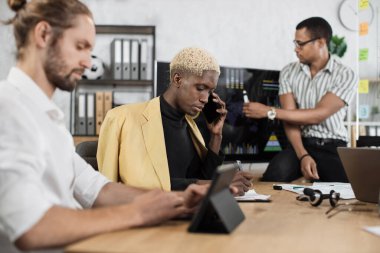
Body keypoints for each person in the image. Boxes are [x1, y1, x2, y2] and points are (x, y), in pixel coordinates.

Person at [0, 1, 208, 252]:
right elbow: (31, 227)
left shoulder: (49, 119)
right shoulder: (8, 108)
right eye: (80, 47)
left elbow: (98, 189)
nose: (88, 63)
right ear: (43, 34)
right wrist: (137, 214)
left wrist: (179, 201)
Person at [97, 47, 254, 194]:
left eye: (210, 91)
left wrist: (216, 136)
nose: (205, 98)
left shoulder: (192, 127)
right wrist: (220, 184)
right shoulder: (121, 118)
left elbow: (202, 181)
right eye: (200, 88)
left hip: (188, 216)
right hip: (145, 217)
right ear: (177, 79)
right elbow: (118, 188)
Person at [242, 17, 357, 183]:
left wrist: (269, 111)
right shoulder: (289, 71)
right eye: (295, 43)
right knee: (275, 175)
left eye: (300, 43)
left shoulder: (346, 74)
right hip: (300, 143)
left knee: (346, 185)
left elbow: (318, 115)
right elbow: (289, 118)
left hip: (333, 145)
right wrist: (303, 155)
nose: (296, 49)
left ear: (320, 42)